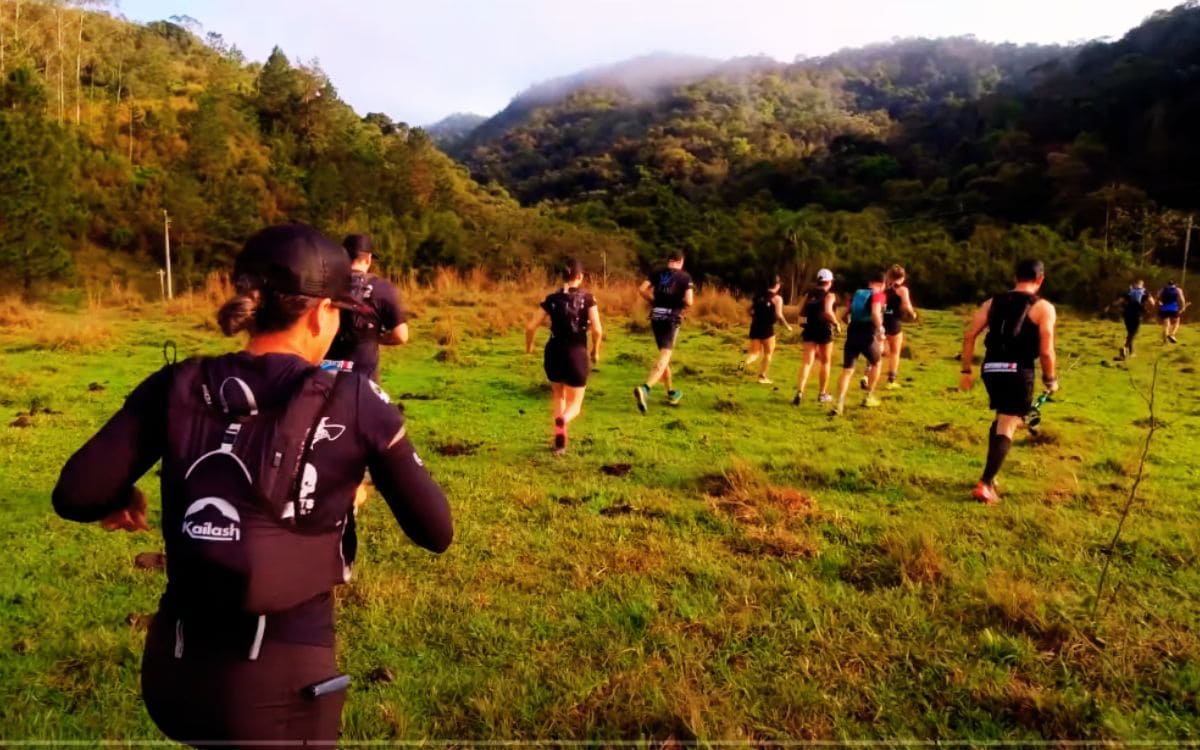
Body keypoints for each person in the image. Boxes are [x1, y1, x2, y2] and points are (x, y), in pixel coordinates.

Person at [52, 224, 453, 747]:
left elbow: (76, 493)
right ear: (319, 313)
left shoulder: (178, 382)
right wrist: (349, 492)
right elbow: (435, 530)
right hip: (282, 693)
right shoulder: (354, 398)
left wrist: (120, 495)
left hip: (174, 676)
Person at [960, 258, 1059, 505]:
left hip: (991, 369)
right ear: (1040, 280)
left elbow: (970, 334)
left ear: (1016, 277)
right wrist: (1050, 379)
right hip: (1018, 371)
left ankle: (991, 479)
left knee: (1001, 419)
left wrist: (965, 371)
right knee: (1008, 424)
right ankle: (985, 484)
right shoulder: (1043, 307)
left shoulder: (992, 302)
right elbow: (1046, 350)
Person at [525, 259, 603, 454]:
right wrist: (596, 351)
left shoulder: (551, 299)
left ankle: (559, 443)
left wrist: (529, 347)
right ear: (580, 276)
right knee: (575, 404)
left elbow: (530, 327)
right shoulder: (589, 299)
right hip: (576, 352)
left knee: (558, 394)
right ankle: (564, 421)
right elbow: (598, 330)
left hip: (553, 352)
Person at [322, 234, 408, 382]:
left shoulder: (325, 284)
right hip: (363, 376)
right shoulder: (382, 288)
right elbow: (401, 335)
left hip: (328, 370)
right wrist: (377, 338)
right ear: (368, 259)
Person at [634, 250, 695, 412]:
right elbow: (689, 301)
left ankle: (671, 392)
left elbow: (641, 289)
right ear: (681, 262)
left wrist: (654, 302)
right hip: (671, 318)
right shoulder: (685, 277)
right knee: (666, 355)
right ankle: (645, 388)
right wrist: (679, 305)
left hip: (656, 317)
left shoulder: (656, 271)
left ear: (668, 260)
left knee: (663, 355)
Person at [830, 271, 887, 416]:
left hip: (852, 333)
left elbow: (844, 316)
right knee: (877, 363)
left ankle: (839, 404)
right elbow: (875, 313)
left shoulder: (858, 294)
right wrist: (880, 329)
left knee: (847, 371)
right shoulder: (878, 295)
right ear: (882, 284)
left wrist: (851, 323)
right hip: (867, 334)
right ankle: (869, 397)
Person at [793, 268, 840, 406]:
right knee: (825, 362)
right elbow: (828, 312)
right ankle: (822, 394)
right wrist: (836, 323)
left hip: (809, 329)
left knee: (807, 362)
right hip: (824, 329)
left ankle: (800, 392)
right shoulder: (830, 295)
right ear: (829, 282)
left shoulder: (809, 294)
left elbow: (798, 311)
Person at [741, 276, 792, 384]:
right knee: (768, 353)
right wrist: (787, 326)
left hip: (755, 326)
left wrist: (755, 316)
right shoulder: (777, 298)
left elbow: (749, 310)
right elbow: (779, 314)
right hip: (767, 328)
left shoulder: (758, 296)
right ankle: (762, 377)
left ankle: (744, 363)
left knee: (754, 353)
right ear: (777, 285)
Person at [880, 264, 918, 389]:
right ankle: (891, 381)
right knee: (895, 352)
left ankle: (867, 375)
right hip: (894, 322)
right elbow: (907, 305)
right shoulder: (902, 289)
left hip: (881, 320)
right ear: (902, 277)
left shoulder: (883, 287)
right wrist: (912, 314)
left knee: (877, 350)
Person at [1108, 280, 1155, 359]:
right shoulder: (1145, 292)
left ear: (1134, 285)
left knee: (1130, 333)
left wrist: (1111, 305)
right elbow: (1152, 303)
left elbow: (1119, 302)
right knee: (1133, 333)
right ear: (1142, 285)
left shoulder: (1129, 292)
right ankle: (1125, 347)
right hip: (1137, 314)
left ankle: (1131, 352)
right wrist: (1147, 309)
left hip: (1127, 314)